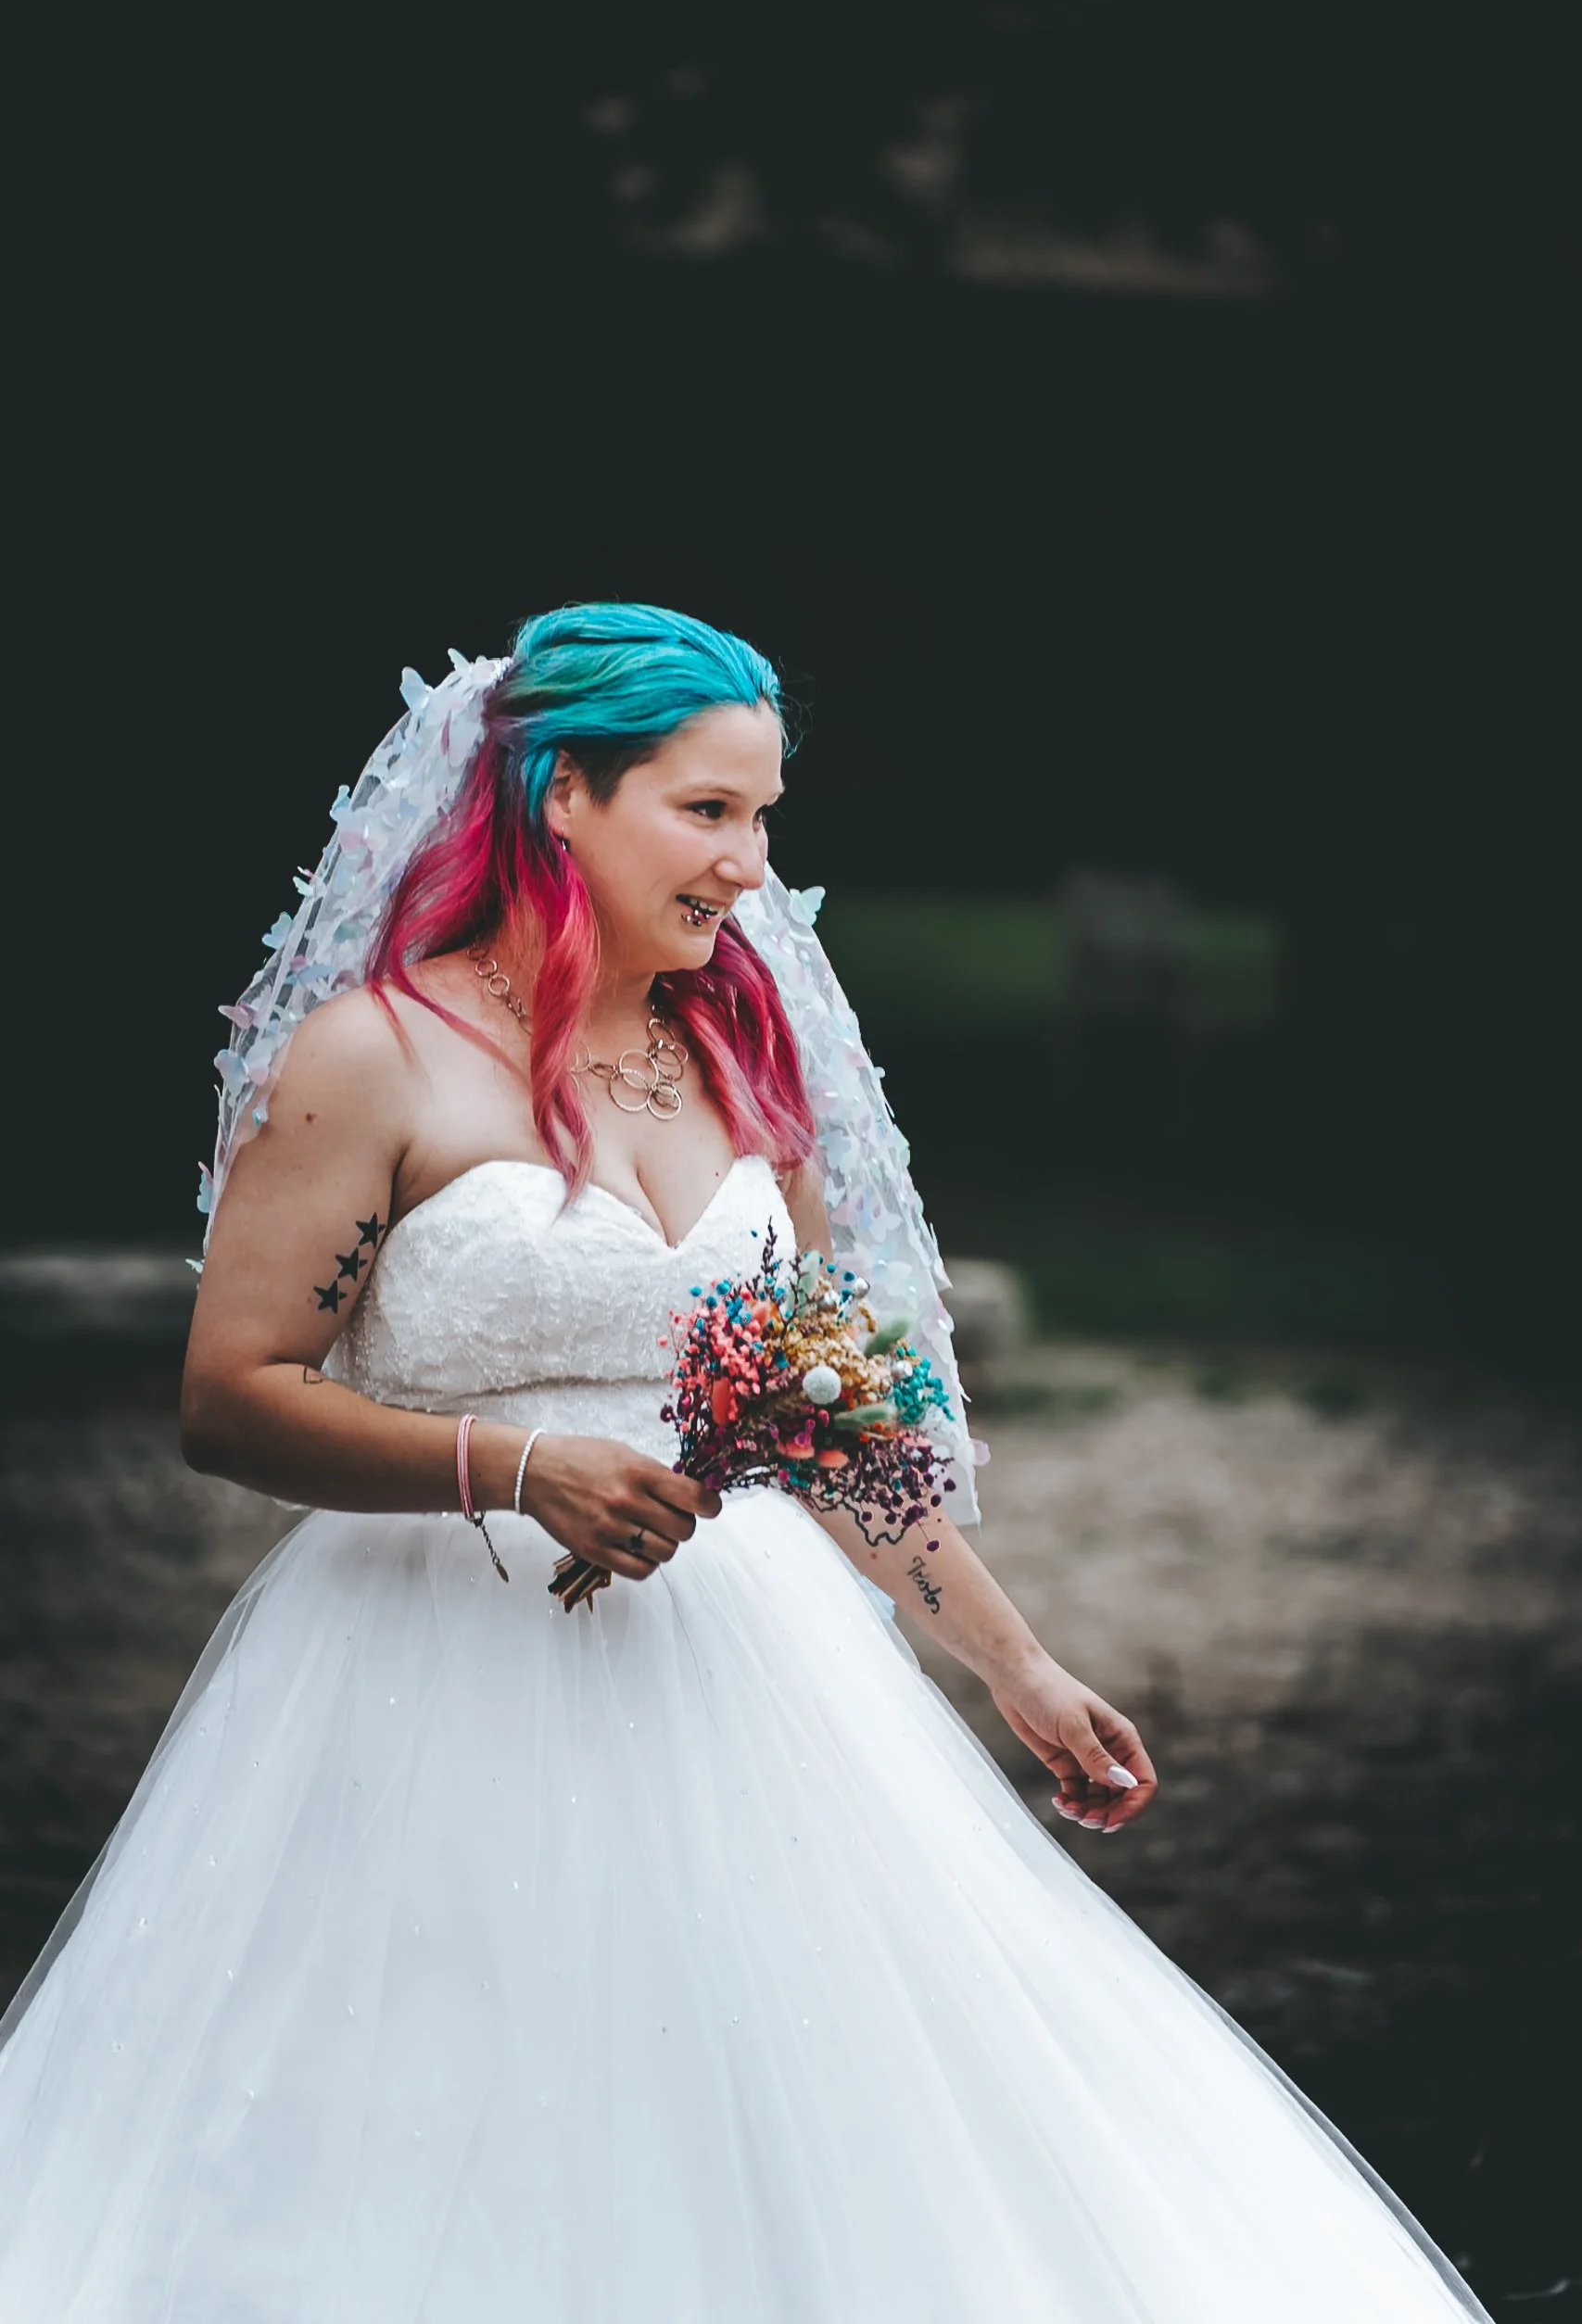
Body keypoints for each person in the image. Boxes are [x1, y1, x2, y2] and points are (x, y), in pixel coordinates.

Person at [0, 604, 1486, 2319]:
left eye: (764, 817)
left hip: (746, 1667)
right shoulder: (375, 1061)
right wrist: (512, 1462)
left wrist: (1011, 1660)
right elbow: (229, 1395)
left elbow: (820, 1417)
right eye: (707, 813)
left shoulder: (734, 1063)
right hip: (419, 1672)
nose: (752, 864)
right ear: (563, 798)